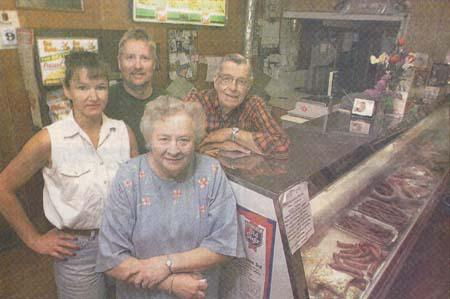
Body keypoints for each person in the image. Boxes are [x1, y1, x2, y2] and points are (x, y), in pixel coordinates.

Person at [0, 51, 138, 299]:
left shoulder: (123, 133)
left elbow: (139, 191)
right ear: (67, 90)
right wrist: (34, 240)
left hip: (123, 243)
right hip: (77, 251)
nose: (93, 96)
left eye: (101, 87)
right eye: (83, 87)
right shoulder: (49, 140)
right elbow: (3, 188)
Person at [96, 96, 244, 299]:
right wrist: (171, 283)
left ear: (196, 139)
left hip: (198, 293)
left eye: (184, 140)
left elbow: (224, 245)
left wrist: (166, 263)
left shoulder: (211, 171)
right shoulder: (128, 177)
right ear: (149, 140)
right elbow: (111, 259)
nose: (174, 150)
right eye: (164, 139)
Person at [184, 53, 290, 157]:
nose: (233, 88)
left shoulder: (253, 104)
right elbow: (179, 143)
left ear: (248, 87)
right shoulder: (197, 100)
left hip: (238, 171)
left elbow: (282, 144)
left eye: (241, 82)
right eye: (226, 79)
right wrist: (220, 145)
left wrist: (231, 134)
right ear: (216, 81)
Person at [105, 29, 167, 154]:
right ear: (119, 62)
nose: (137, 66)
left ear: (154, 63)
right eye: (130, 58)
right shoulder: (103, 101)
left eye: (145, 58)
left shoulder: (169, 103)